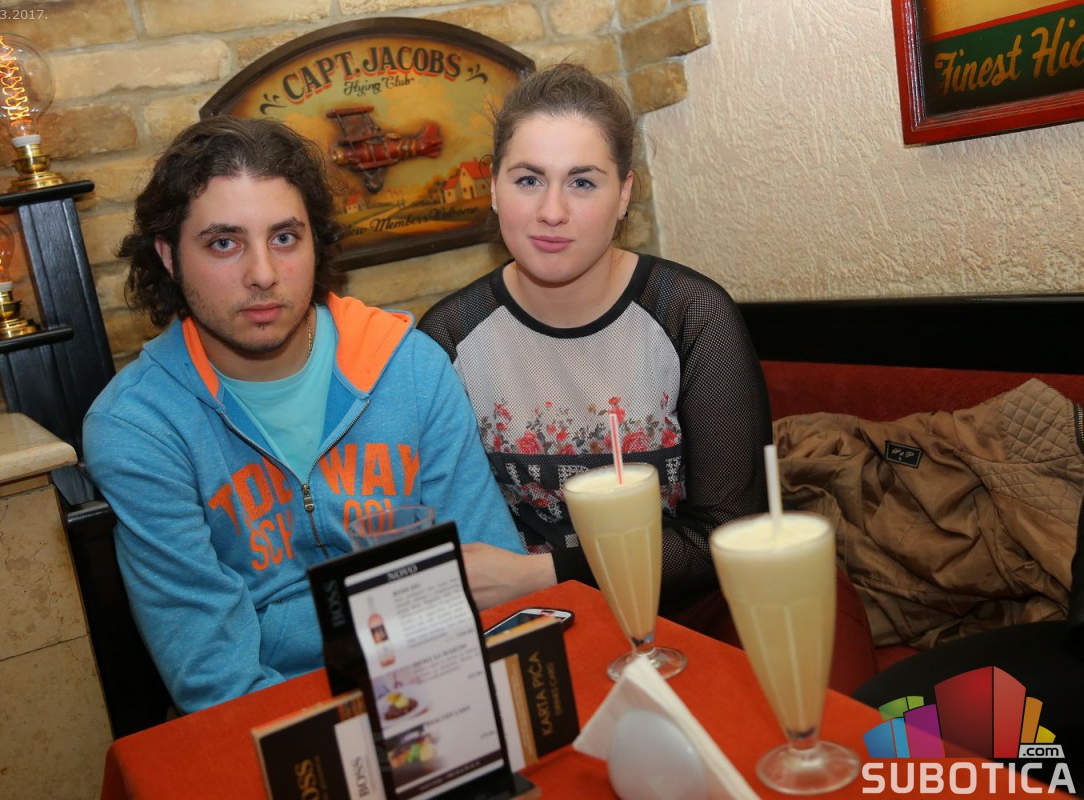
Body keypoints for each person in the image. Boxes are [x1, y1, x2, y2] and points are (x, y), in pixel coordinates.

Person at [83, 116, 524, 714]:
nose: (262, 274)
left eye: (285, 238)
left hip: (446, 690)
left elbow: (496, 587)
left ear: (316, 243)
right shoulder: (139, 428)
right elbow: (216, 681)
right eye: (223, 243)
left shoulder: (411, 368)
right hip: (275, 722)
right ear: (168, 256)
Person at [418, 63, 773, 620]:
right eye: (528, 180)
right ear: (493, 188)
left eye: (582, 182)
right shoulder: (448, 337)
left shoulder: (692, 315)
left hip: (683, 620)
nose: (552, 212)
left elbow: (730, 534)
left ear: (624, 193)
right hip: (531, 627)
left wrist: (545, 573)